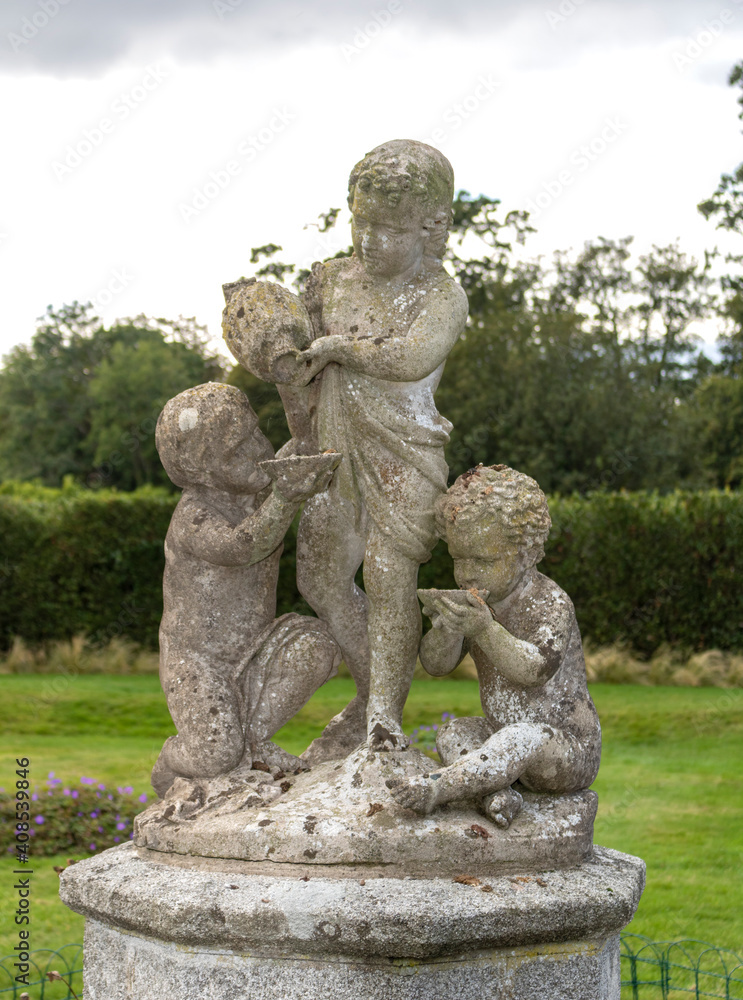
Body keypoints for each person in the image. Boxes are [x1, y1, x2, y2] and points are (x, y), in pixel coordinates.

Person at [292, 140, 468, 757]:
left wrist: (340, 348)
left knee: (390, 577)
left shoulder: (441, 296)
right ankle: (369, 690)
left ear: (431, 228)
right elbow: (295, 358)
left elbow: (411, 357)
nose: (368, 242)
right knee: (318, 574)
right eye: (358, 223)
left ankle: (384, 719)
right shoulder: (334, 279)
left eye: (386, 229)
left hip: (407, 453)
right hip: (334, 451)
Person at [151, 382, 341, 797]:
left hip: (254, 644)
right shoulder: (194, 516)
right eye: (237, 449)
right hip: (198, 662)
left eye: (256, 432)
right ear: (201, 471)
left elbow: (299, 449)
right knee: (215, 750)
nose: (257, 448)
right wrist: (286, 497)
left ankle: (253, 743)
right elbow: (242, 547)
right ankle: (172, 759)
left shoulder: (260, 489)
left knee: (320, 646)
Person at [386, 465, 601, 827]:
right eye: (458, 559)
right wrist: (448, 629)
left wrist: (484, 629)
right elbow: (437, 664)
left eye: (483, 561)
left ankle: (441, 787)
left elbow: (534, 671)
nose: (468, 572)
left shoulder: (550, 602)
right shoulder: (478, 606)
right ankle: (493, 793)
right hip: (501, 736)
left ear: (528, 553)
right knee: (455, 732)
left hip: (564, 749)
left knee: (521, 736)